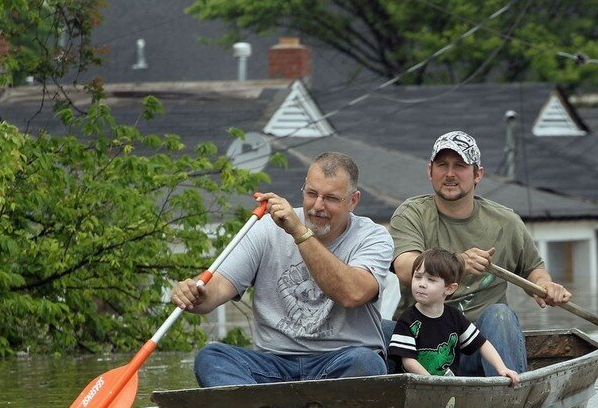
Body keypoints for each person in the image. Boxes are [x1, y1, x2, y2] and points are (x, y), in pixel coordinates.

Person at [171, 152, 393, 387]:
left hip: (340, 361)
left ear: (353, 201)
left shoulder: (373, 237)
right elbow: (218, 287)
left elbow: (352, 293)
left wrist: (299, 233)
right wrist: (196, 293)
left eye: (331, 198)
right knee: (211, 357)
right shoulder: (266, 229)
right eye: (311, 194)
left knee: (368, 364)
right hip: (272, 363)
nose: (317, 206)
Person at [388, 130, 572, 376]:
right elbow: (403, 267)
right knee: (377, 328)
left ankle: (510, 397)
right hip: (420, 349)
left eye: (460, 166)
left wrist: (546, 286)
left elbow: (533, 270)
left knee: (501, 314)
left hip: (479, 350)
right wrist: (458, 263)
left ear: (477, 175)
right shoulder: (411, 213)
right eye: (442, 165)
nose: (450, 174)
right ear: (430, 171)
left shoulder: (506, 221)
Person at [388, 248, 519, 386]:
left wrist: (502, 368)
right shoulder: (408, 319)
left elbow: (482, 344)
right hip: (416, 388)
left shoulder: (454, 317)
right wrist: (432, 382)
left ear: (449, 288)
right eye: (417, 276)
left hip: (449, 388)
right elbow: (408, 361)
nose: (421, 284)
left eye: (431, 280)